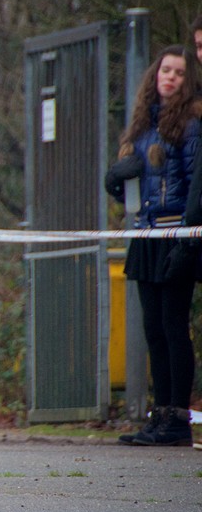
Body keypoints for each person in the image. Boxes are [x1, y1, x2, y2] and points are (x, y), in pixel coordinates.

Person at [105, 44, 201, 446]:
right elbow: (130, 191)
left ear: (187, 79)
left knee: (173, 325)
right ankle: (159, 415)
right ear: (155, 75)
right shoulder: (142, 126)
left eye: (179, 72)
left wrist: (188, 239)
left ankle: (178, 418)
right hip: (145, 232)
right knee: (153, 328)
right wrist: (114, 179)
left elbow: (195, 183)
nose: (170, 78)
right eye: (165, 70)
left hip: (176, 232)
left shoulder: (191, 125)